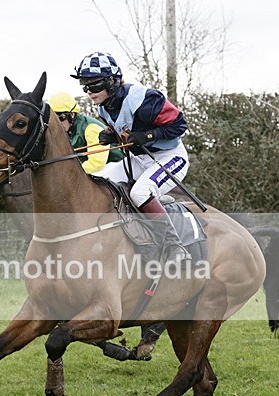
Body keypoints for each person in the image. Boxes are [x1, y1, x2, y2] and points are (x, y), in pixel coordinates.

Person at [71, 51, 192, 265]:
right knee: (95, 178)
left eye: (95, 85)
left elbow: (179, 125)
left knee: (140, 192)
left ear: (112, 81)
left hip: (169, 158)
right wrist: (112, 134)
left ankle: (175, 245)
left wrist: (146, 136)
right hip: (139, 160)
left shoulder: (144, 99)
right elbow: (124, 128)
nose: (90, 91)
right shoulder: (104, 105)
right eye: (85, 86)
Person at [48, 91, 124, 176]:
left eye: (60, 118)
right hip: (89, 170)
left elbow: (96, 164)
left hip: (114, 167)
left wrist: (68, 173)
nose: (57, 124)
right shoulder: (64, 131)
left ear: (72, 114)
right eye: (54, 120)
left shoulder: (91, 128)